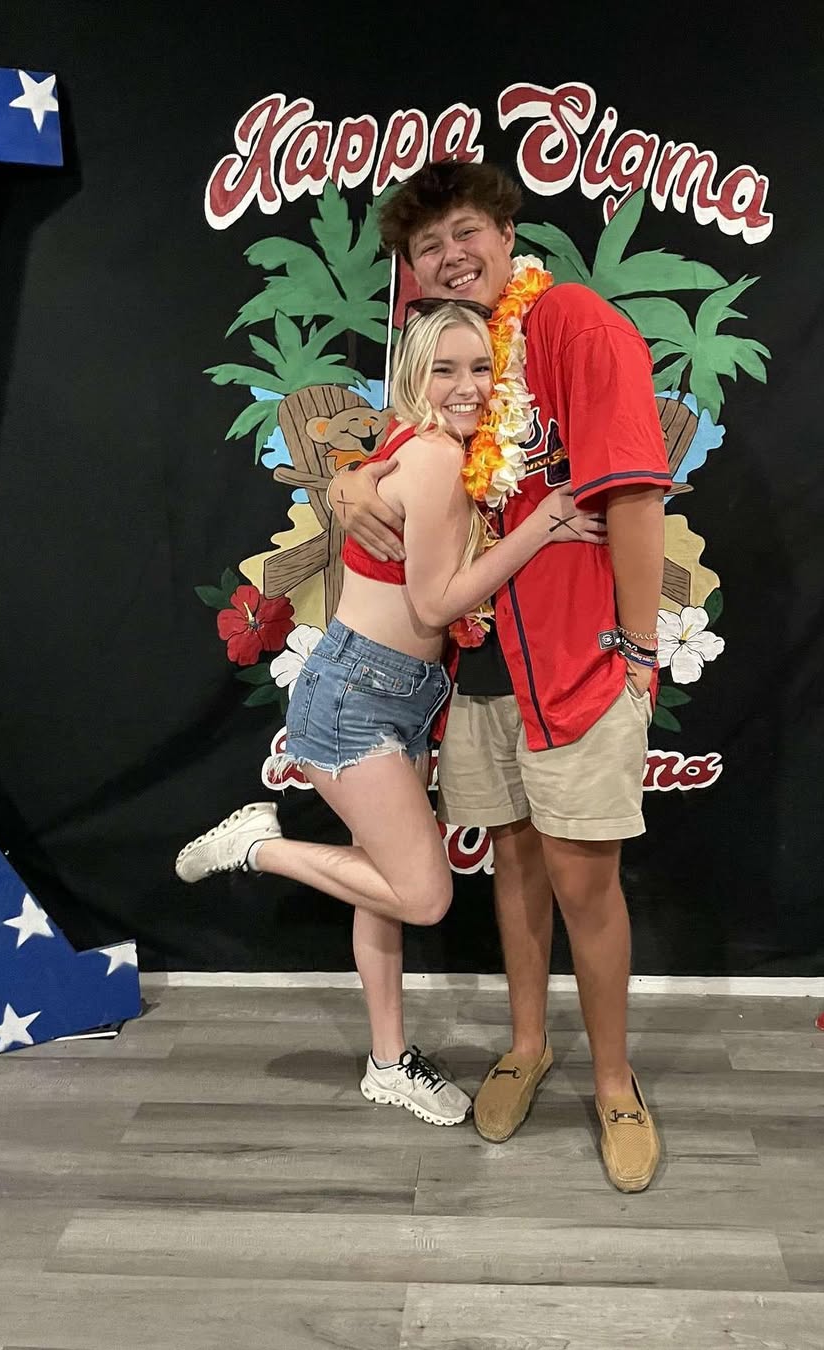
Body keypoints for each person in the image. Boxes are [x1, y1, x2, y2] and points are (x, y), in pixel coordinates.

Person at [175, 301, 604, 1128]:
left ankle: (386, 1063)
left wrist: (356, 479)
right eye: (445, 369)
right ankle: (257, 846)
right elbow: (437, 601)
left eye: (480, 368)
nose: (467, 386)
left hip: (400, 692)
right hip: (356, 696)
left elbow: (379, 499)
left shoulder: (428, 445)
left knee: (382, 890)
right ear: (413, 373)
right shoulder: (436, 456)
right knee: (423, 895)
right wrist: (546, 526)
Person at [334, 161, 671, 1191]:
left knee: (585, 881)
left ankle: (614, 1082)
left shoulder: (573, 326)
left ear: (508, 234)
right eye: (427, 246)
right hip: (480, 668)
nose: (449, 257)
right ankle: (529, 1045)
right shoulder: (448, 356)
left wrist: (640, 652)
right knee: (515, 865)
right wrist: (350, 481)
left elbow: (636, 494)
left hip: (577, 662)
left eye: (465, 232)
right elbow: (394, 460)